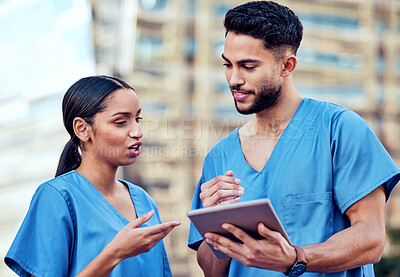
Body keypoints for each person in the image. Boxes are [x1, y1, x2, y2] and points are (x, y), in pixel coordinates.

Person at [188, 1, 400, 277]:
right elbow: (212, 271)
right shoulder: (220, 156)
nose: (234, 79)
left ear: (287, 65)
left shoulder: (339, 129)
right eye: (228, 65)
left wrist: (295, 258)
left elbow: (371, 240)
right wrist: (217, 230)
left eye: (248, 66)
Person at [5, 75, 180, 276]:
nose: (137, 132)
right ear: (82, 129)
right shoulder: (57, 197)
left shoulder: (144, 200)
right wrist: (114, 254)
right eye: (122, 122)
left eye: (137, 119)